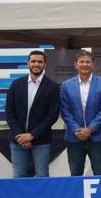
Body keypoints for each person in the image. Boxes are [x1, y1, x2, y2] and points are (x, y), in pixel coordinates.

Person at [4, 50, 60, 178]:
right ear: (28, 63)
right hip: (18, 140)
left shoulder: (52, 87)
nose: (36, 64)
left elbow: (52, 115)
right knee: (18, 175)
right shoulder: (16, 85)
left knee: (42, 175)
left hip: (41, 140)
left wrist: (32, 135)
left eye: (40, 61)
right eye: (33, 61)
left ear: (45, 64)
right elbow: (9, 112)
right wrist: (21, 135)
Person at [60, 50, 101, 176]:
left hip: (97, 136)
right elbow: (65, 111)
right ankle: (77, 196)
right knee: (75, 172)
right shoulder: (66, 85)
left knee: (100, 171)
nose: (85, 64)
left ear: (93, 65)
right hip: (74, 137)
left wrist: (90, 129)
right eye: (81, 62)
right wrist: (78, 130)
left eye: (88, 62)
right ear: (75, 65)